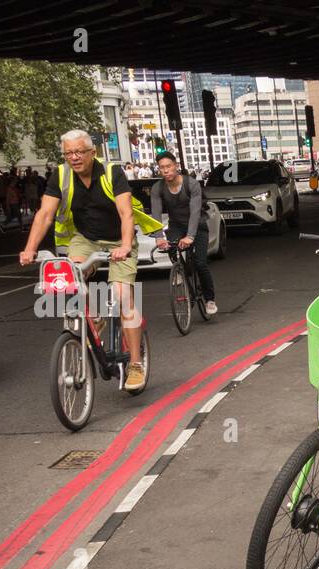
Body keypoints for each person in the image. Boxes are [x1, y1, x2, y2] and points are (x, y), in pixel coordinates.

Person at [19, 129, 163, 392]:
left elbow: (126, 213)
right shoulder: (60, 175)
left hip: (117, 239)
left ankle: (134, 365)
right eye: (68, 153)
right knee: (69, 280)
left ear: (91, 152)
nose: (73, 157)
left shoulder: (112, 173)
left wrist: (125, 246)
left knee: (122, 297)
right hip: (85, 238)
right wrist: (29, 249)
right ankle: (94, 317)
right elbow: (45, 214)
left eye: (79, 152)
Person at [151, 150, 217, 317]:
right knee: (172, 248)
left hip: (198, 225)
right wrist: (159, 237)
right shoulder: (157, 188)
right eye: (162, 168)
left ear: (176, 166)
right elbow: (156, 214)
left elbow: (195, 212)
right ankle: (180, 270)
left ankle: (209, 299)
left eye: (169, 166)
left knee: (201, 263)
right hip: (176, 226)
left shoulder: (191, 184)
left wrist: (190, 236)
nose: (166, 170)